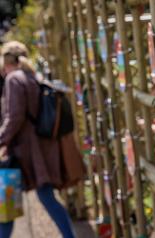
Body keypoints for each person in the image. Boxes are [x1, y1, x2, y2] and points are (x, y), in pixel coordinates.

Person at [0, 41, 85, 238]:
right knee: (45, 195)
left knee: (8, 203)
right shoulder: (31, 76)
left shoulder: (14, 79)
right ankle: (68, 235)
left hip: (20, 152)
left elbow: (14, 117)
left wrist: (2, 138)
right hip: (37, 150)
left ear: (6, 61)